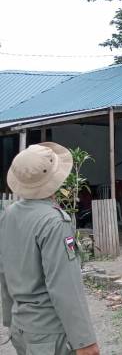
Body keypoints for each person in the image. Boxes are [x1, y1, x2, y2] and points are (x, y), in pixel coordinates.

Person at [0, 143, 99, 355]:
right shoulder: (54, 222)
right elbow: (65, 286)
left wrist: (9, 317)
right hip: (49, 335)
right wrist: (85, 342)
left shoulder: (9, 214)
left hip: (21, 327)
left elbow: (4, 271)